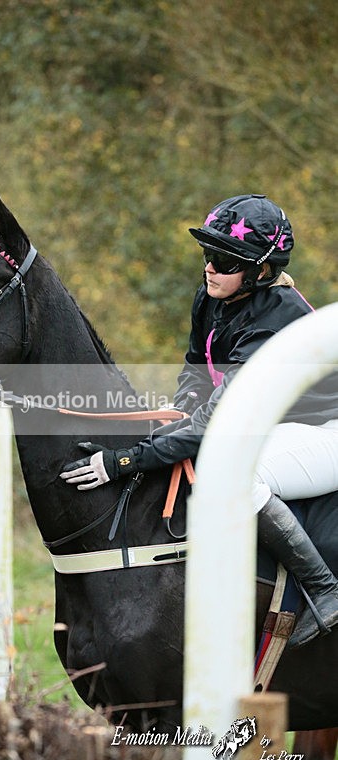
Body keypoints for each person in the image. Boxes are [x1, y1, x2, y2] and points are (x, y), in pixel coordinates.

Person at [60, 193, 338, 648]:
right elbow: (195, 370)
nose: (210, 267)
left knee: (228, 473)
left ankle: (324, 586)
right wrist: (179, 410)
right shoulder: (212, 296)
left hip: (326, 432)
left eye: (225, 260)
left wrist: (126, 461)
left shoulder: (277, 319)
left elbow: (217, 422)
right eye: (208, 254)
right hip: (277, 423)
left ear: (261, 271)